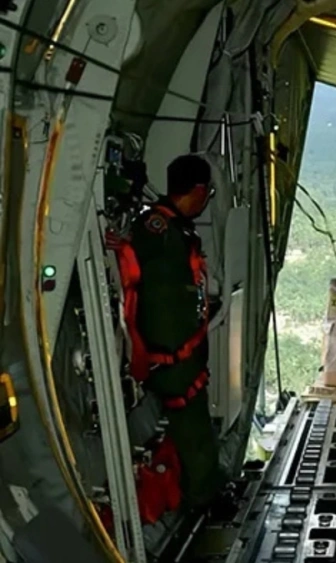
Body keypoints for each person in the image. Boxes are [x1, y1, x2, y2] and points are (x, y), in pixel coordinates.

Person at [125, 154, 223, 509]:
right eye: (207, 193)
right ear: (198, 190)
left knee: (194, 426)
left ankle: (204, 487)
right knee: (193, 429)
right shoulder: (161, 232)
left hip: (180, 355)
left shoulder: (170, 228)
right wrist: (173, 358)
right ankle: (203, 500)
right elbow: (162, 304)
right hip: (174, 359)